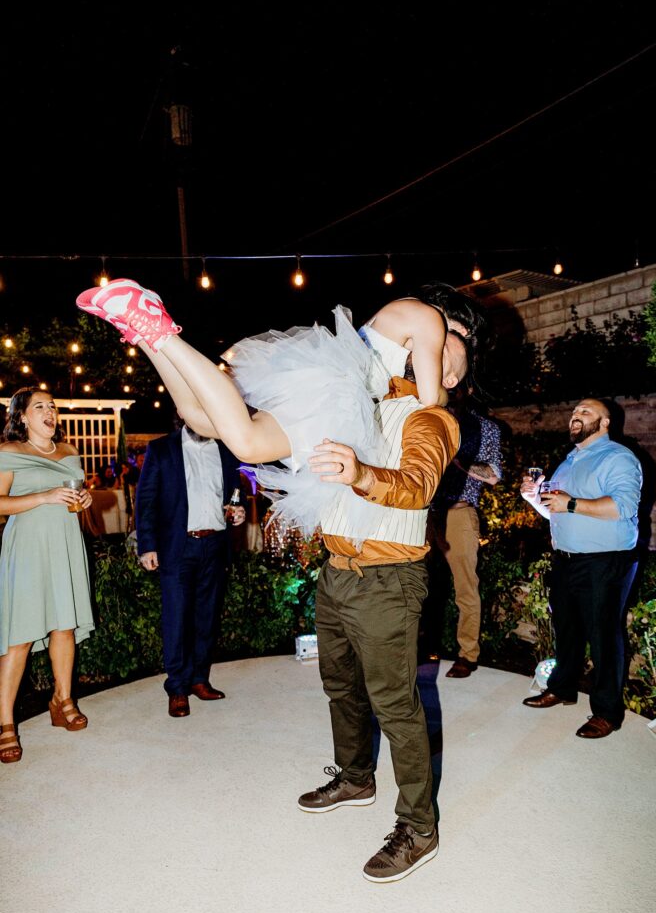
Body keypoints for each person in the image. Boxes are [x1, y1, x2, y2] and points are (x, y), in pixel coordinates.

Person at [77, 276, 488, 881]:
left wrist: (360, 474)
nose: (441, 347)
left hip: (388, 581)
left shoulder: (433, 421)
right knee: (340, 689)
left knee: (396, 706)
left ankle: (418, 828)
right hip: (339, 574)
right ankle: (354, 780)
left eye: (454, 348)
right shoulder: (357, 400)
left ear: (454, 370)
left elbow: (418, 487)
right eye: (442, 337)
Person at [75, 278, 483, 544]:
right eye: (458, 341)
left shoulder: (402, 314)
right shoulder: (430, 320)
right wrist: (452, 393)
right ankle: (158, 329)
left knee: (200, 420)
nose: (448, 350)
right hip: (335, 390)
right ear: (453, 324)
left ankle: (145, 333)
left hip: (326, 381)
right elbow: (429, 399)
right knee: (248, 443)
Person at [520, 397, 642, 739]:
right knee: (567, 629)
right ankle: (562, 687)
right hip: (567, 559)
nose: (576, 415)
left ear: (605, 423)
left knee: (603, 636)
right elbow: (558, 512)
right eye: (574, 411)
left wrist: (570, 502)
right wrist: (536, 498)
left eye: (585, 412)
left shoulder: (618, 457)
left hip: (605, 560)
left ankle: (607, 712)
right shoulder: (569, 461)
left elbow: (623, 506)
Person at [0, 387, 94, 763]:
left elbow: (76, 495)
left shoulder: (69, 452)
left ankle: (62, 699)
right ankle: (5, 722)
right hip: (26, 548)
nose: (50, 411)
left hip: (66, 545)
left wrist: (84, 499)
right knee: (20, 635)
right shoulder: (9, 453)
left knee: (64, 627)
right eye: (40, 406)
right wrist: (43, 496)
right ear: (22, 416)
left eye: (52, 406)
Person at [135, 411, 246, 718]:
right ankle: (177, 687)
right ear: (183, 415)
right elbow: (145, 501)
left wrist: (238, 511)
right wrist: (147, 546)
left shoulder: (226, 450)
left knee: (206, 618)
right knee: (177, 618)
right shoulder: (161, 448)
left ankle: (199, 679)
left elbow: (235, 494)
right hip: (177, 547)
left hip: (215, 544)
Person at [427, 387, 502, 677]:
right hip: (424, 513)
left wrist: (454, 457)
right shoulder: (428, 419)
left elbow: (494, 475)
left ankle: (467, 654)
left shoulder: (484, 427)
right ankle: (423, 646)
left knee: (465, 588)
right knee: (415, 585)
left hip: (459, 512)